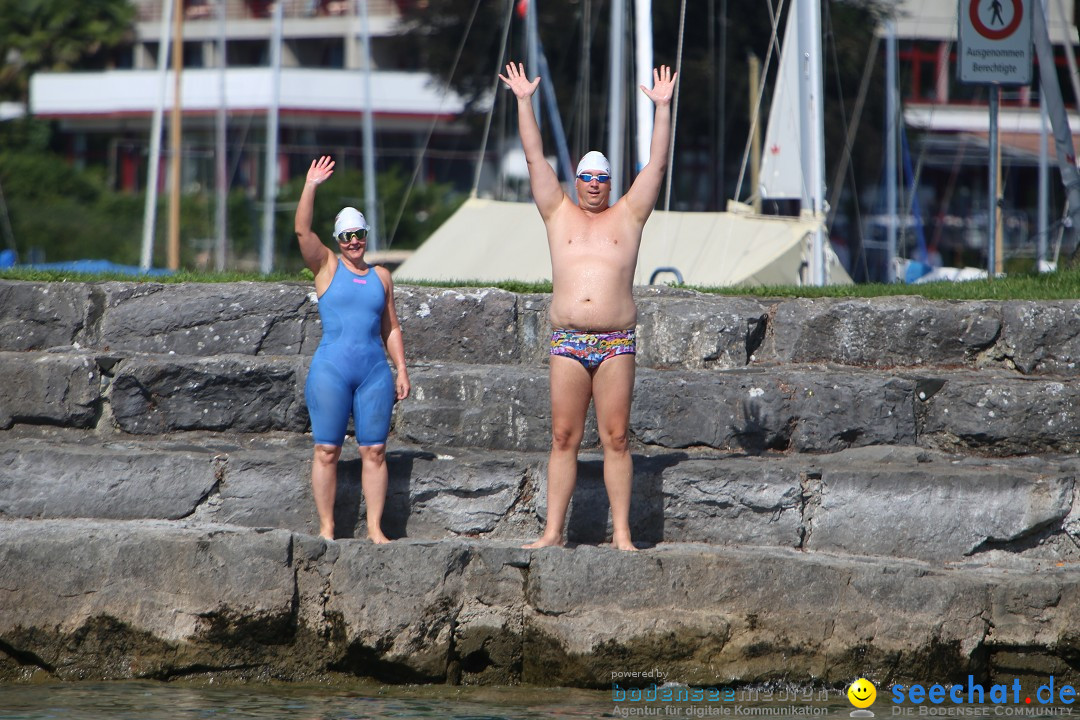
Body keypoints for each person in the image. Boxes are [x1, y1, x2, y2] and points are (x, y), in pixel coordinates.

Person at [498, 61, 676, 551]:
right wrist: (523, 101)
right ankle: (553, 532)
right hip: (568, 340)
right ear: (576, 180)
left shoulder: (630, 215)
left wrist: (662, 109)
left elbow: (657, 166)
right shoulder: (558, 213)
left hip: (616, 341)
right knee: (563, 437)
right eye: (587, 176)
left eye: (602, 176)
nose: (595, 183)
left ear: (612, 182)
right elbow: (535, 160)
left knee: (617, 437)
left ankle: (621, 534)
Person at [294, 155, 410, 542]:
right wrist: (310, 185)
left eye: (359, 234)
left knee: (374, 451)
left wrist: (402, 369)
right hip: (332, 370)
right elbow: (301, 231)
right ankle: (327, 526)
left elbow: (390, 326)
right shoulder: (327, 266)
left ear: (366, 234)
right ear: (338, 240)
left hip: (373, 371)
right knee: (327, 450)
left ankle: (376, 528)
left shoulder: (381, 276)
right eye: (346, 236)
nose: (354, 241)